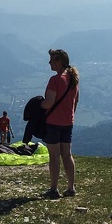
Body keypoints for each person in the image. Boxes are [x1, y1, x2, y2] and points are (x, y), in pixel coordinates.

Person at [40, 49, 80, 199]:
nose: (49, 62)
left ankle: (54, 189)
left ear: (59, 61)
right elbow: (76, 101)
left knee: (54, 156)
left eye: (51, 60)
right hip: (68, 122)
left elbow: (49, 103)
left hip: (53, 122)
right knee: (67, 155)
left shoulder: (55, 80)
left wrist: (39, 105)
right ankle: (71, 188)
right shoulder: (73, 79)